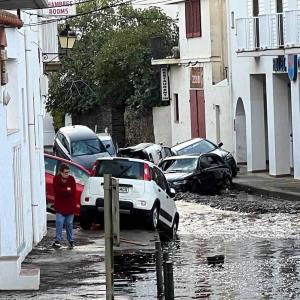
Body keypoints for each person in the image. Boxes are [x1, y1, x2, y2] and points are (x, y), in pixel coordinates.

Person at [52, 163, 76, 249]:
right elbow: (57, 191)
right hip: (60, 206)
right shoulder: (56, 179)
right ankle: (57, 240)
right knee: (59, 222)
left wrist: (64, 191)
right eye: (65, 172)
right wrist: (67, 190)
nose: (67, 174)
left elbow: (73, 192)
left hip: (70, 206)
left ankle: (71, 240)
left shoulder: (72, 179)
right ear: (61, 172)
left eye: (68, 172)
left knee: (69, 223)